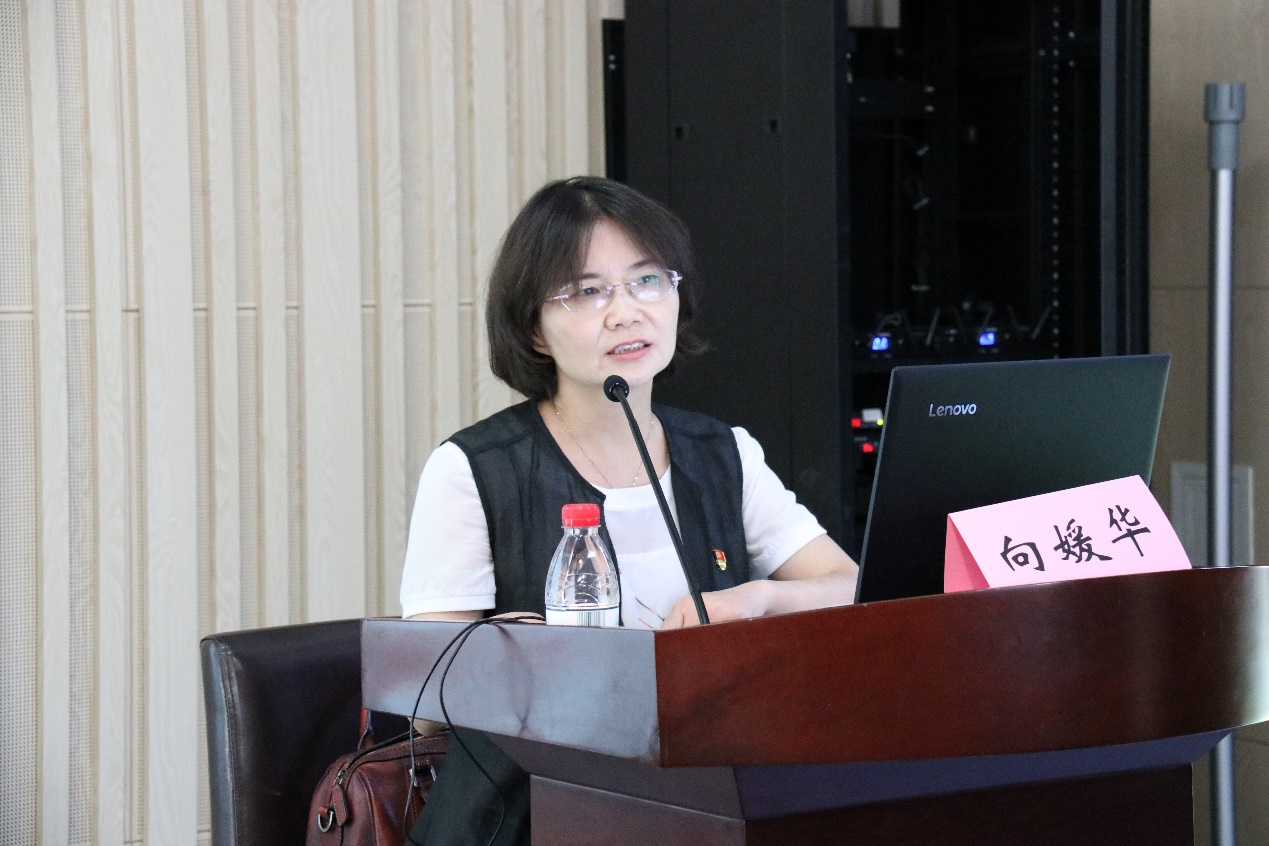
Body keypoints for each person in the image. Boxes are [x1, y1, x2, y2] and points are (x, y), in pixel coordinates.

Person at [400, 176, 857, 845]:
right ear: (533, 330)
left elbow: (851, 590)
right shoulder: (474, 468)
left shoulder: (721, 452)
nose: (626, 312)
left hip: (712, 803)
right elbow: (426, 705)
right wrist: (517, 652)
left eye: (647, 281)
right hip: (530, 818)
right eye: (587, 291)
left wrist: (756, 599)